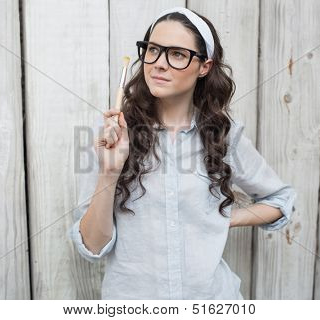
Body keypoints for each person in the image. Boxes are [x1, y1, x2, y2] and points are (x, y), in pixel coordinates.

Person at [69, 7, 297, 300]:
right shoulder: (111, 135)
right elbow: (92, 246)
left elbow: (281, 201)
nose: (158, 64)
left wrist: (223, 217)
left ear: (205, 66)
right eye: (153, 50)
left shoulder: (225, 136)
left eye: (177, 54)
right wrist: (109, 173)